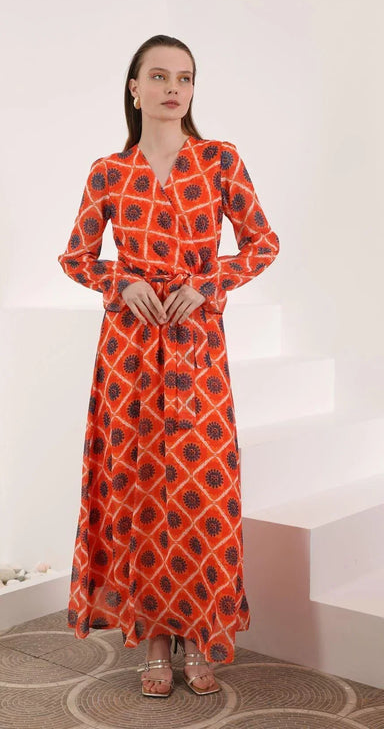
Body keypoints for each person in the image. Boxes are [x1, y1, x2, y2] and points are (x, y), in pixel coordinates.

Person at [57, 34, 280, 697]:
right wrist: (118, 282)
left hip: (195, 348)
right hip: (128, 349)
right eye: (157, 76)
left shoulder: (219, 160)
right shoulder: (107, 171)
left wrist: (209, 282)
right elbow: (75, 256)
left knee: (200, 486)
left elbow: (262, 243)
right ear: (133, 88)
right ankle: (152, 637)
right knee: (137, 487)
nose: (171, 88)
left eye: (183, 77)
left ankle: (199, 633)